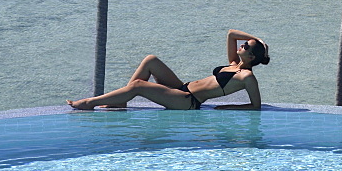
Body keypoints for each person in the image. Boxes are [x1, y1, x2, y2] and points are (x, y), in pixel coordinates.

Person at [66, 29, 269, 111]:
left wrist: (227, 108)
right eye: (243, 43)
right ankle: (121, 100)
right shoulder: (233, 63)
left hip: (188, 101)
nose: (241, 45)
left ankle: (89, 103)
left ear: (251, 57)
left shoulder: (247, 77)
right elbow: (231, 33)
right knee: (150, 60)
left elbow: (255, 106)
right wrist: (258, 40)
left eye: (246, 46)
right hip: (182, 88)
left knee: (138, 85)